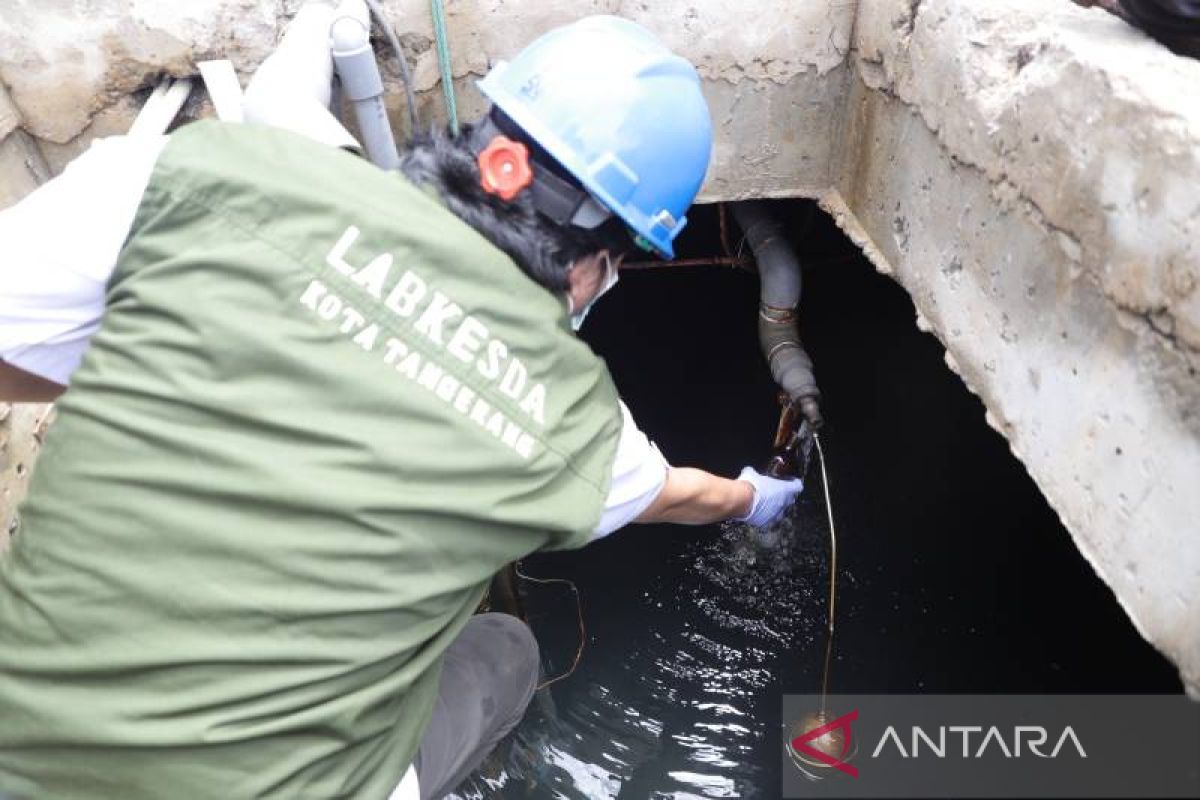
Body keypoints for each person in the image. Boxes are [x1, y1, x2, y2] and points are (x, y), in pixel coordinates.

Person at [0, 6, 804, 799]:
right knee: (505, 651)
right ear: (597, 265)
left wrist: (163, 374)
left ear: (490, 136)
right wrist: (753, 500)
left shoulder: (195, 176)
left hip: (25, 746)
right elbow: (679, 496)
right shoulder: (575, 423)